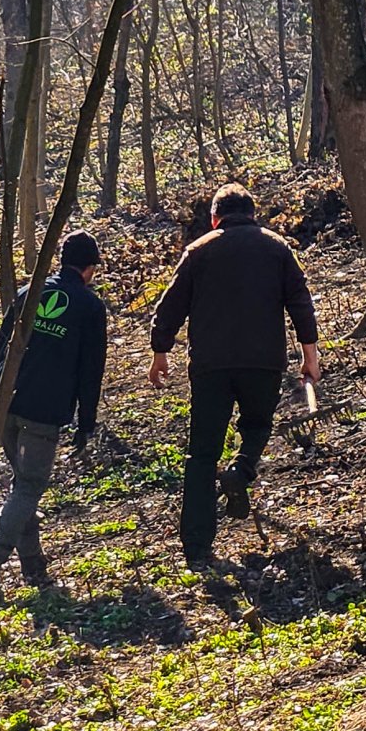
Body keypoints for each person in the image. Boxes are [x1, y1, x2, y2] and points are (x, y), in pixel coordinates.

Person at [149, 183, 320, 567]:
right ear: (253, 214)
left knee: (201, 454)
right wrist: (310, 355)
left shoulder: (199, 251)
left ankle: (197, 549)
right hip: (263, 362)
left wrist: (161, 352)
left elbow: (170, 306)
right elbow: (300, 302)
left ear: (214, 218)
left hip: (211, 366)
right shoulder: (277, 248)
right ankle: (242, 471)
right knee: (258, 425)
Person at [0, 231, 106, 603]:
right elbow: (91, 372)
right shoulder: (89, 307)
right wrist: (86, 424)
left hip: (2, 403)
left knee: (22, 485)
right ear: (88, 269)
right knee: (29, 486)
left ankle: (33, 564)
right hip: (43, 411)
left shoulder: (27, 294)